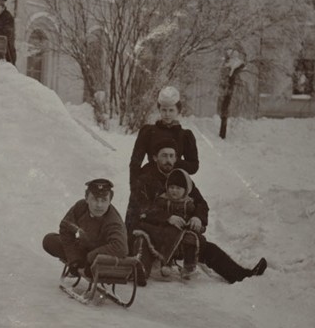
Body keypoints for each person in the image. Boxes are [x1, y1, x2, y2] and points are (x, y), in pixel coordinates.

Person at [128, 138, 267, 286]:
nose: (168, 160)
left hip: (179, 236)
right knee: (143, 244)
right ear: (155, 157)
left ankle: (242, 276)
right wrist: (167, 217)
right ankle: (139, 272)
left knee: (207, 248)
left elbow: (200, 203)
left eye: (171, 156)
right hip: (154, 232)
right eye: (164, 155)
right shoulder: (145, 179)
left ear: (176, 158)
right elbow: (140, 207)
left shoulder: (181, 177)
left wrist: (197, 217)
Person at [125, 85, 198, 230]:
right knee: (140, 218)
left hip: (175, 182)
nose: (167, 114)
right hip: (150, 180)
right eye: (164, 110)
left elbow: (194, 166)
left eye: (171, 110)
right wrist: (135, 187)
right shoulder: (148, 131)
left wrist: (173, 162)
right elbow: (135, 162)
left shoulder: (185, 135)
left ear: (178, 110)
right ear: (159, 109)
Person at [42, 178, 128, 276]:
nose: (99, 205)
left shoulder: (113, 221)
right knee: (49, 240)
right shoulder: (81, 207)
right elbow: (66, 227)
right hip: (83, 249)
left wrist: (90, 257)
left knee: (102, 261)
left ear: (110, 201)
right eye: (95, 199)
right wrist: (74, 258)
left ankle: (87, 268)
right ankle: (79, 265)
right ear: (86, 198)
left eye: (104, 200)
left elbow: (121, 248)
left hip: (99, 258)